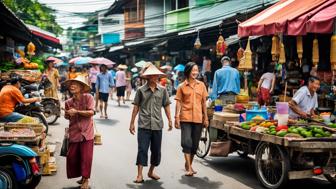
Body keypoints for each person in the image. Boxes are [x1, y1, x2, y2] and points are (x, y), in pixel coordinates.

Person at [129, 64, 172, 184]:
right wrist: (132, 123)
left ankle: (151, 171)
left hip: (157, 124)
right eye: (151, 75)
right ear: (147, 77)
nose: (154, 77)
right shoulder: (140, 90)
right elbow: (136, 107)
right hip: (144, 124)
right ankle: (139, 174)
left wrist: (170, 120)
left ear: (158, 76)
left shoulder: (163, 90)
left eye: (156, 75)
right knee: (142, 149)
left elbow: (166, 105)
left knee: (156, 150)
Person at [174, 62, 208, 177]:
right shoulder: (181, 86)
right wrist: (176, 117)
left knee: (194, 145)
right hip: (185, 117)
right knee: (186, 142)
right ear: (188, 71)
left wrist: (206, 118)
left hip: (198, 118)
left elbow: (204, 103)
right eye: (193, 70)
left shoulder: (202, 85)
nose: (195, 72)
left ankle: (188, 164)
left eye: (196, 70)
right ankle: (189, 168)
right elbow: (178, 102)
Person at [63, 75, 94, 189]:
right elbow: (67, 117)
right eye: (71, 84)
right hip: (74, 132)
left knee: (86, 157)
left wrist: (77, 112)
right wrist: (67, 114)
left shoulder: (89, 97)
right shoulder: (68, 102)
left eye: (75, 84)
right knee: (72, 157)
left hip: (87, 132)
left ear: (81, 87)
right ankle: (82, 176)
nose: (72, 86)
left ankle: (86, 180)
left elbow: (91, 112)